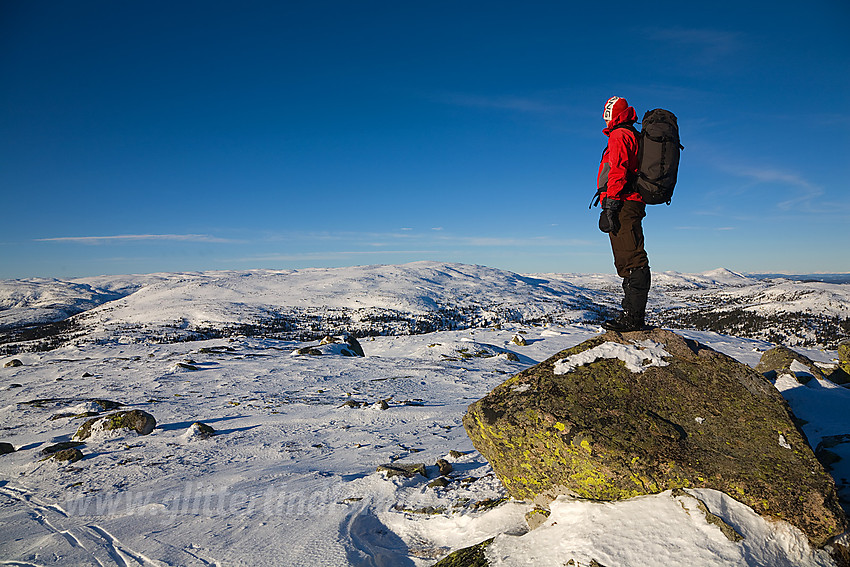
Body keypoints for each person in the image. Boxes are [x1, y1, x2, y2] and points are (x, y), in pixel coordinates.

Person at [594, 96, 651, 332]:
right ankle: (630, 314)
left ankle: (633, 319)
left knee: (633, 259)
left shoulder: (620, 135)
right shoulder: (629, 133)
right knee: (627, 259)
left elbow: (618, 169)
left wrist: (612, 204)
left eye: (606, 112)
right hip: (628, 201)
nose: (604, 116)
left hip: (624, 202)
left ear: (612, 114)